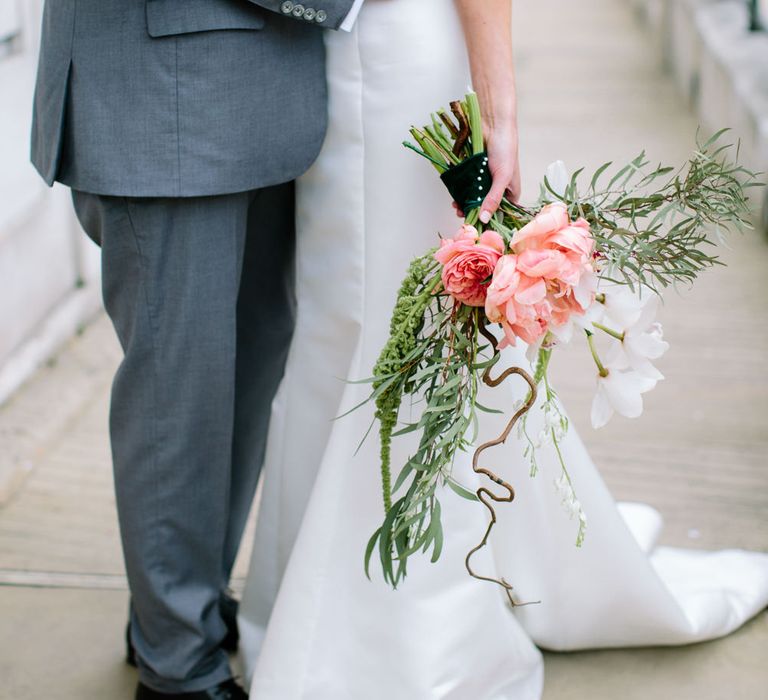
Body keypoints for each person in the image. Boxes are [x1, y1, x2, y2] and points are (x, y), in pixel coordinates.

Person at [237, 0, 768, 697]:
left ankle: (398, 630)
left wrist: (499, 110)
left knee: (392, 328)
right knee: (348, 325)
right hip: (340, 51)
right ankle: (324, 603)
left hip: (390, 51)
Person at [30, 1, 363, 697]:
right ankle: (178, 667)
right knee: (180, 394)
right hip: (163, 93)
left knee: (247, 363)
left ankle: (177, 607)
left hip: (255, 88)